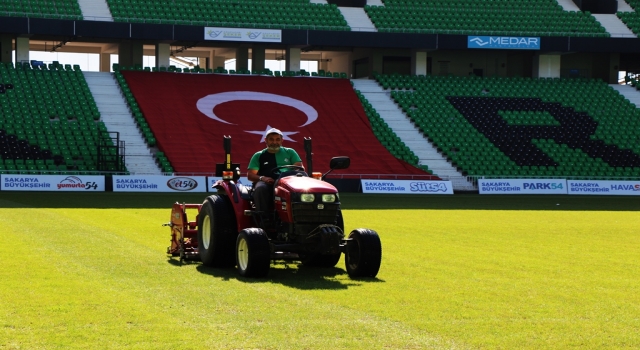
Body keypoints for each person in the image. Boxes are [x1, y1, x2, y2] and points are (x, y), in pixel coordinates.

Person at [247, 128, 303, 213]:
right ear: (266, 140)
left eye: (277, 139)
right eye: (271, 139)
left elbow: (299, 168)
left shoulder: (290, 152)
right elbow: (250, 175)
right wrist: (263, 178)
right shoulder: (258, 155)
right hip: (266, 182)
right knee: (260, 188)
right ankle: (263, 217)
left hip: (287, 182)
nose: (274, 142)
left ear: (282, 140)